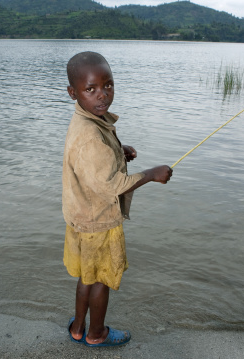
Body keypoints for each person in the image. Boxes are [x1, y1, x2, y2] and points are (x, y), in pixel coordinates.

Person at [62, 51, 173, 347]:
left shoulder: (85, 121)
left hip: (80, 218)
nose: (102, 96)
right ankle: (96, 334)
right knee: (100, 281)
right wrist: (150, 174)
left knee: (87, 276)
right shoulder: (90, 135)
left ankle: (77, 327)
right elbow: (113, 187)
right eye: (91, 89)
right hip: (98, 222)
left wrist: (119, 150)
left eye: (108, 85)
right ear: (73, 92)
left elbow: (93, 164)